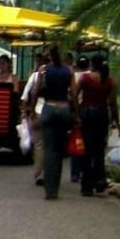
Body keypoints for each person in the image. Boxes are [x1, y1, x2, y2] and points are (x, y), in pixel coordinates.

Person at [78, 56, 120, 196]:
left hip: (87, 114)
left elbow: (74, 93)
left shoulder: (85, 78)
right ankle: (99, 181)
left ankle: (86, 185)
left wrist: (76, 111)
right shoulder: (110, 82)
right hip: (102, 116)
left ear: (92, 64)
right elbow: (113, 104)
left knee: (87, 149)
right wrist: (118, 123)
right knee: (99, 149)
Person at [38, 45, 77, 200]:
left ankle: (49, 189)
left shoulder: (44, 69)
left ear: (50, 55)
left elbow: (36, 89)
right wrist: (77, 114)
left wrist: (30, 109)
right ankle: (55, 187)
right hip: (63, 109)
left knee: (49, 150)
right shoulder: (69, 71)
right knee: (59, 151)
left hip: (48, 107)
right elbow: (74, 94)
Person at [21, 51, 49, 186]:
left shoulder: (35, 76)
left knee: (38, 145)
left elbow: (26, 95)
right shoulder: (58, 74)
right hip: (53, 111)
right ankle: (49, 173)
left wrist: (26, 111)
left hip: (37, 112)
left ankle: (38, 173)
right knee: (51, 144)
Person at [69, 56, 91, 182]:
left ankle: (75, 173)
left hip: (77, 111)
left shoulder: (74, 76)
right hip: (88, 111)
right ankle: (85, 170)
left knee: (76, 141)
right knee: (87, 143)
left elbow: (72, 95)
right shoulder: (91, 76)